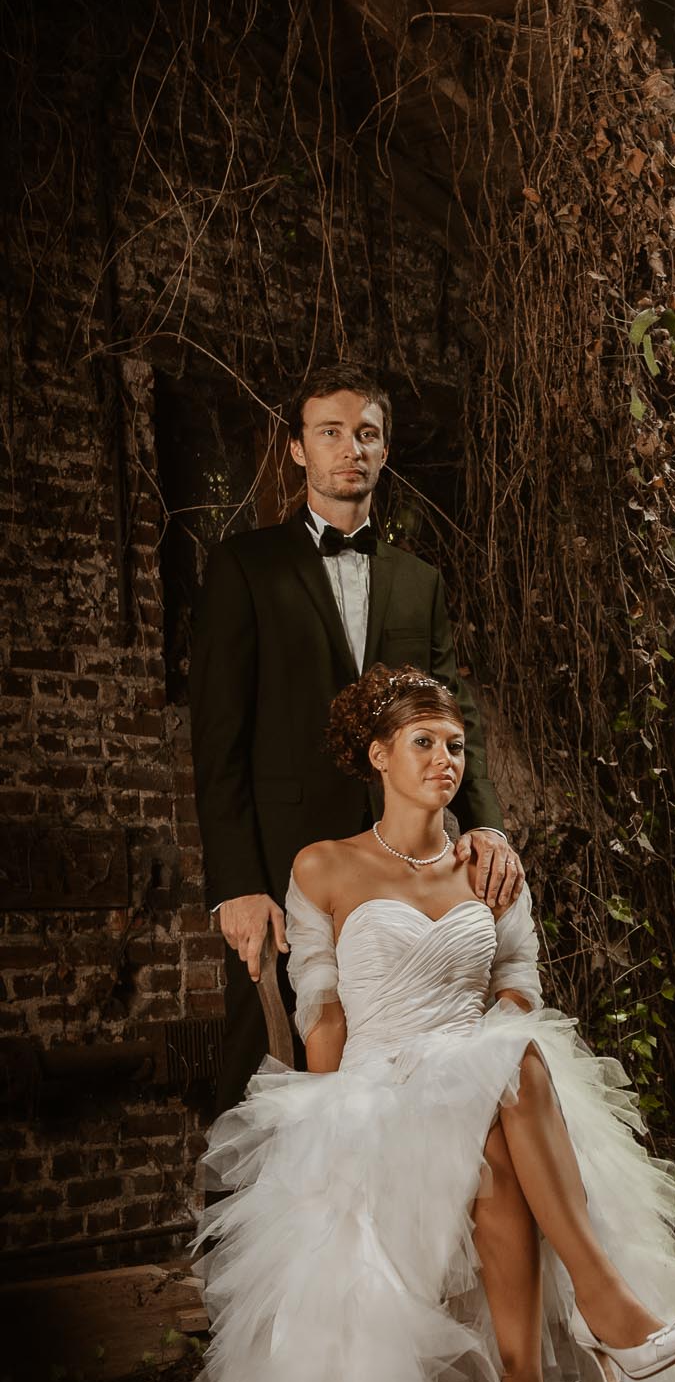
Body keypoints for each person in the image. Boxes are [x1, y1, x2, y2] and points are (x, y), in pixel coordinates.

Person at [172, 665, 675, 1382]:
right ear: (377, 756)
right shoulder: (323, 866)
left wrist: (472, 1046)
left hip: (483, 1074)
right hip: (378, 1088)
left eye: (456, 745)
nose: (445, 759)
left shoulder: (489, 866)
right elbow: (321, 1013)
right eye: (423, 743)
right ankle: (585, 1325)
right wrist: (323, 1126)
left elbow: (517, 986)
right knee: (510, 1081)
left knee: (513, 1072)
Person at [190, 363, 523, 1116]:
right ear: (298, 450)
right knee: (270, 1061)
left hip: (401, 849)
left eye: (366, 434)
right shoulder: (243, 566)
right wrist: (236, 883)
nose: (351, 448)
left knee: (401, 1055)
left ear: (384, 449)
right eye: (331, 432)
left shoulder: (418, 580)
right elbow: (218, 737)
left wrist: (490, 825)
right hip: (281, 854)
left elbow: (449, 710)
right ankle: (259, 1236)